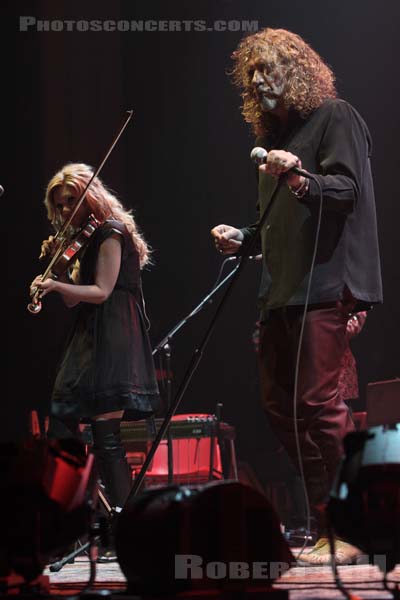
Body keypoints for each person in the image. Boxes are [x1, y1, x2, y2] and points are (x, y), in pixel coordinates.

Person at [211, 28, 382, 564]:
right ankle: (326, 522)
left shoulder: (336, 116)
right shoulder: (275, 146)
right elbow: (279, 226)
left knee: (316, 406)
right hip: (280, 293)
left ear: (297, 71)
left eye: (268, 69)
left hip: (328, 285)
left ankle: (352, 527)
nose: (259, 79)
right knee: (279, 410)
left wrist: (302, 178)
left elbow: (347, 190)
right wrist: (245, 240)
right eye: (252, 73)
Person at [32, 163, 160, 549]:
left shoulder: (110, 232)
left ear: (90, 195)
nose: (67, 209)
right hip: (89, 334)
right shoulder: (83, 240)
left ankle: (128, 534)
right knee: (62, 426)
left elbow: (103, 290)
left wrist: (54, 283)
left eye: (72, 199)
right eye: (61, 204)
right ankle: (70, 528)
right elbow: (76, 300)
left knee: (106, 437)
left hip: (113, 336)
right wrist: (61, 273)